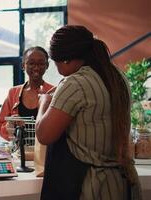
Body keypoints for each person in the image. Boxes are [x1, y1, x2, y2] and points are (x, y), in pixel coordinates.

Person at [36, 25, 142, 199]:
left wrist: (44, 102)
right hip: (123, 182)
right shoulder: (117, 76)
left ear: (66, 60)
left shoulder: (75, 83)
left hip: (93, 187)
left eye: (55, 63)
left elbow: (44, 135)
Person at [0, 46, 54, 176]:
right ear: (23, 65)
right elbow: (0, 125)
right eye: (31, 63)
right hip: (19, 158)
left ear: (47, 66)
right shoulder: (13, 93)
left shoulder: (53, 92)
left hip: (46, 157)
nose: (36, 67)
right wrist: (11, 127)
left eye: (41, 63)